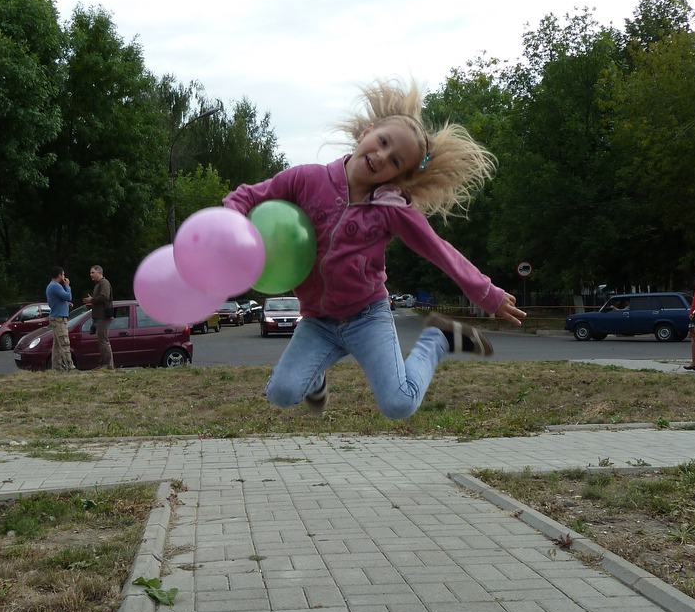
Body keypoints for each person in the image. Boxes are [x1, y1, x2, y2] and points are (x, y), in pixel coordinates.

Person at [223, 79, 526, 419]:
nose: (381, 157)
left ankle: (436, 339)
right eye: (382, 142)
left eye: (395, 161)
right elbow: (247, 195)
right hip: (318, 321)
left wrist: (487, 294)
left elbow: (439, 250)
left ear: (398, 175)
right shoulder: (306, 179)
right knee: (281, 393)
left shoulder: (391, 208)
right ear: (366, 132)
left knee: (399, 404)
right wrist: (231, 226)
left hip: (367, 317)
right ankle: (315, 380)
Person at [83, 264, 114, 369]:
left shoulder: (104, 283)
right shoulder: (98, 284)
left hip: (103, 316)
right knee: (101, 341)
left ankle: (109, 366)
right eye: (90, 272)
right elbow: (99, 300)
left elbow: (104, 296)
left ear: (99, 273)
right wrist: (92, 304)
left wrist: (92, 300)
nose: (90, 274)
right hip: (99, 316)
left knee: (104, 341)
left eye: (93, 272)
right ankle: (103, 364)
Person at [45, 266, 74, 372]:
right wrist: (67, 286)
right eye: (63, 274)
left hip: (56, 317)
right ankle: (70, 366)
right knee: (64, 343)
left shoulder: (51, 286)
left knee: (57, 345)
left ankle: (56, 367)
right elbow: (68, 296)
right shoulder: (56, 286)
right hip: (59, 319)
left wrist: (66, 304)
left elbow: (59, 299)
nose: (64, 276)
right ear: (59, 275)